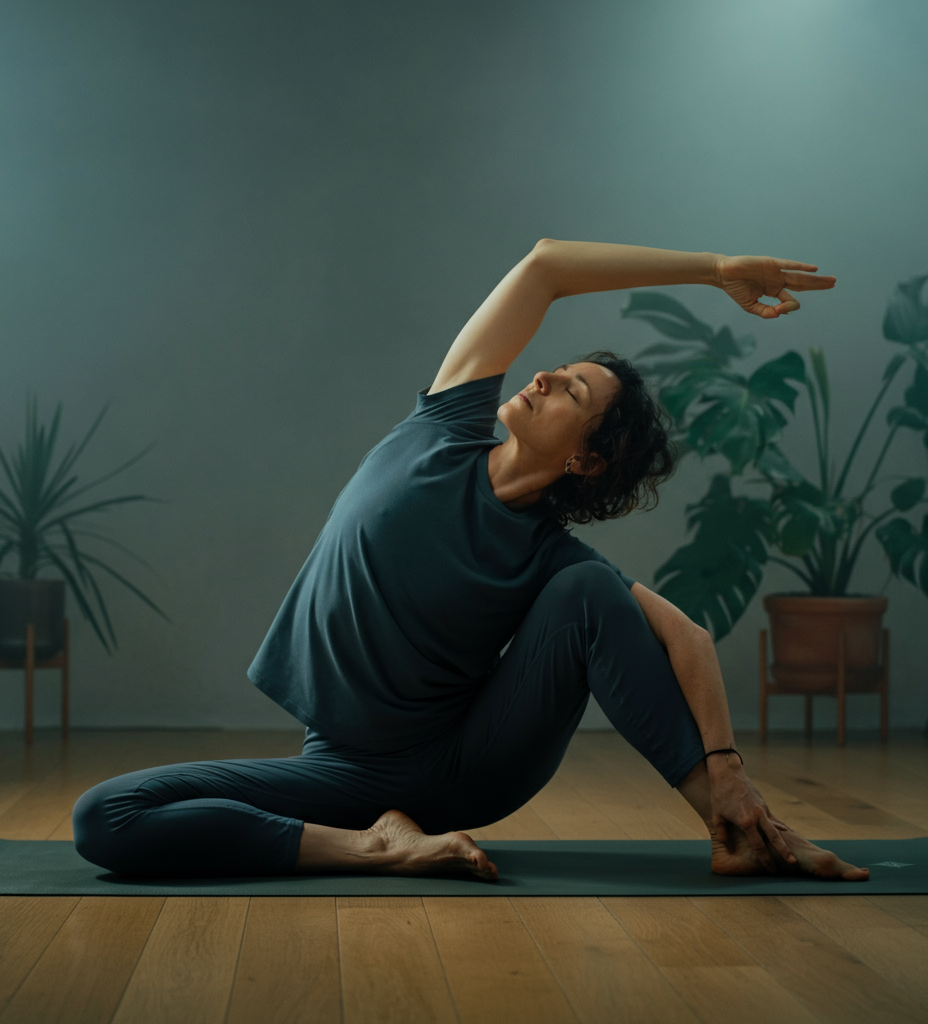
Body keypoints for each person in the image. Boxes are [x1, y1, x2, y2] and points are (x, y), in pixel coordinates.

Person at [73, 239, 869, 882]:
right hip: (343, 773)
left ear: (587, 462)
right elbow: (546, 265)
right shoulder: (445, 425)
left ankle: (736, 831)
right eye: (561, 370)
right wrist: (718, 269)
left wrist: (728, 772)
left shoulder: (550, 558)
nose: (546, 374)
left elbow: (688, 638)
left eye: (574, 396)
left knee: (590, 591)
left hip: (458, 770)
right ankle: (370, 848)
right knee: (104, 818)